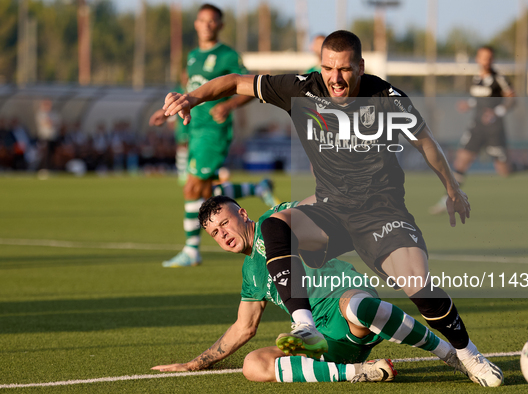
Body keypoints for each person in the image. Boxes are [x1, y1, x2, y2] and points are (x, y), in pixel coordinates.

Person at [160, 30, 503, 387]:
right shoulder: (302, 89)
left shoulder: (385, 96)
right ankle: (304, 325)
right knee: (276, 226)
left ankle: (467, 354)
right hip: (332, 210)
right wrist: (191, 98)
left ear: (360, 66)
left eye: (344, 69)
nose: (335, 78)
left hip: (381, 212)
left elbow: (425, 142)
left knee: (418, 285)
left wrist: (452, 187)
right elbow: (233, 82)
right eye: (328, 68)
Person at [151, 195, 470, 383]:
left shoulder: (275, 222)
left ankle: (448, 353)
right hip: (326, 344)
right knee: (253, 365)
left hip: (348, 304)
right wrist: (194, 363)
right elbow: (243, 327)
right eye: (214, 233)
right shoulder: (251, 274)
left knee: (357, 306)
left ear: (243, 214)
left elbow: (310, 203)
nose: (222, 234)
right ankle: (358, 371)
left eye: (224, 223)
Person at [148, 3, 278, 268]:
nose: (206, 25)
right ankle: (257, 188)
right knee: (206, 192)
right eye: (201, 20)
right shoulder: (194, 55)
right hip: (194, 129)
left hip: (213, 132)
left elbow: (249, 86)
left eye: (212, 21)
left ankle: (191, 250)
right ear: (196, 24)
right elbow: (188, 88)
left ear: (220, 25)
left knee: (191, 187)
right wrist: (168, 111)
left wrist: (229, 105)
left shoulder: (228, 55)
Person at [429, 45, 527, 214]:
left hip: (494, 129)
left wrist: (497, 112)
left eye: (489, 58)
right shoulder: (476, 78)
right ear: (477, 59)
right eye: (483, 57)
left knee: (504, 170)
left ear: (493, 59)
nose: (486, 61)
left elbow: (512, 99)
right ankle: (449, 199)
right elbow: (479, 100)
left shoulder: (499, 78)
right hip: (477, 127)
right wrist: (468, 104)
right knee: (460, 162)